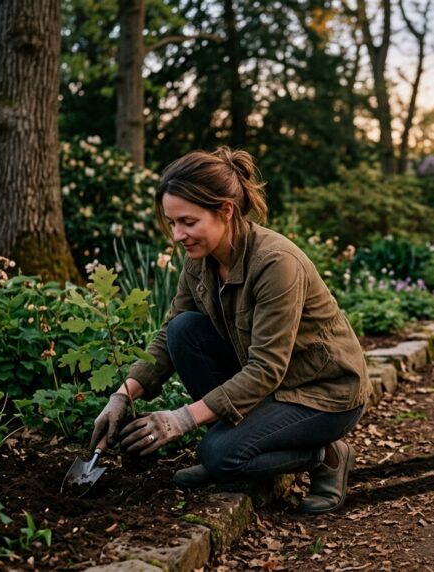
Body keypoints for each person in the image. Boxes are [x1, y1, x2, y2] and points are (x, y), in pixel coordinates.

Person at [88, 147, 370, 514]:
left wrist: (182, 419)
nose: (177, 235)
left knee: (219, 457)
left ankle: (326, 455)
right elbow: (169, 335)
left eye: (188, 222)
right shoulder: (200, 260)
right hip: (273, 388)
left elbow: (267, 368)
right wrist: (123, 394)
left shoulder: (275, 264)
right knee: (183, 330)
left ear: (226, 210)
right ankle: (242, 442)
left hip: (322, 393)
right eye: (172, 223)